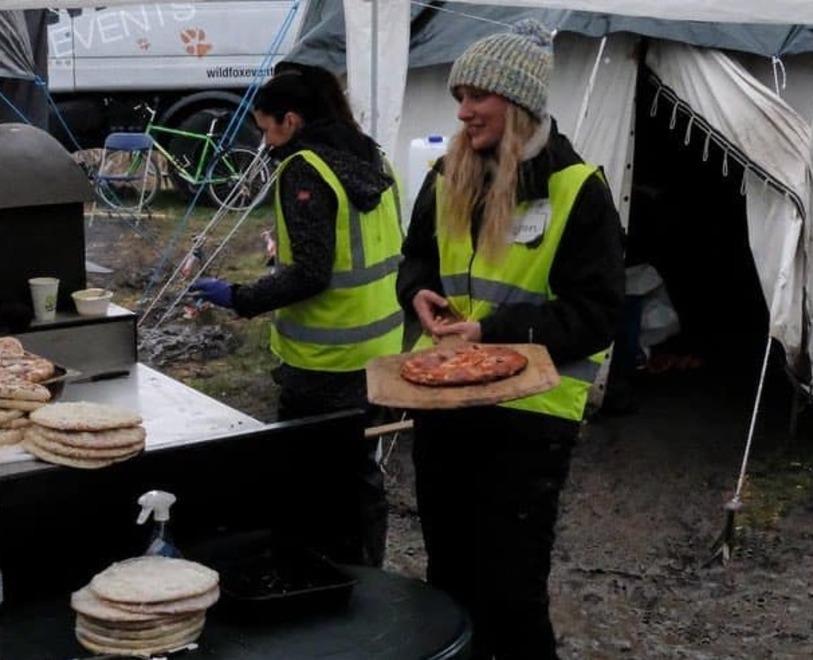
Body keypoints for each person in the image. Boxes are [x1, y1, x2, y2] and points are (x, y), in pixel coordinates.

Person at [396, 20, 625, 659]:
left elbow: (596, 314)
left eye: (478, 96)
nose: (463, 111)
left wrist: (491, 333)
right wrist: (417, 293)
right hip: (447, 407)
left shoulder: (577, 188)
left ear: (519, 102)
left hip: (529, 420)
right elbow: (416, 258)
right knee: (449, 579)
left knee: (512, 592)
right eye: (459, 97)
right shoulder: (446, 175)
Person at [191, 63, 404, 567]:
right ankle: (367, 570)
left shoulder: (305, 169)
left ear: (292, 120)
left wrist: (239, 297)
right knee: (358, 469)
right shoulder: (371, 157)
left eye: (267, 129)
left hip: (324, 358)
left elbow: (311, 273)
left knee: (312, 479)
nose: (265, 143)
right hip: (380, 348)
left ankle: (326, 575)